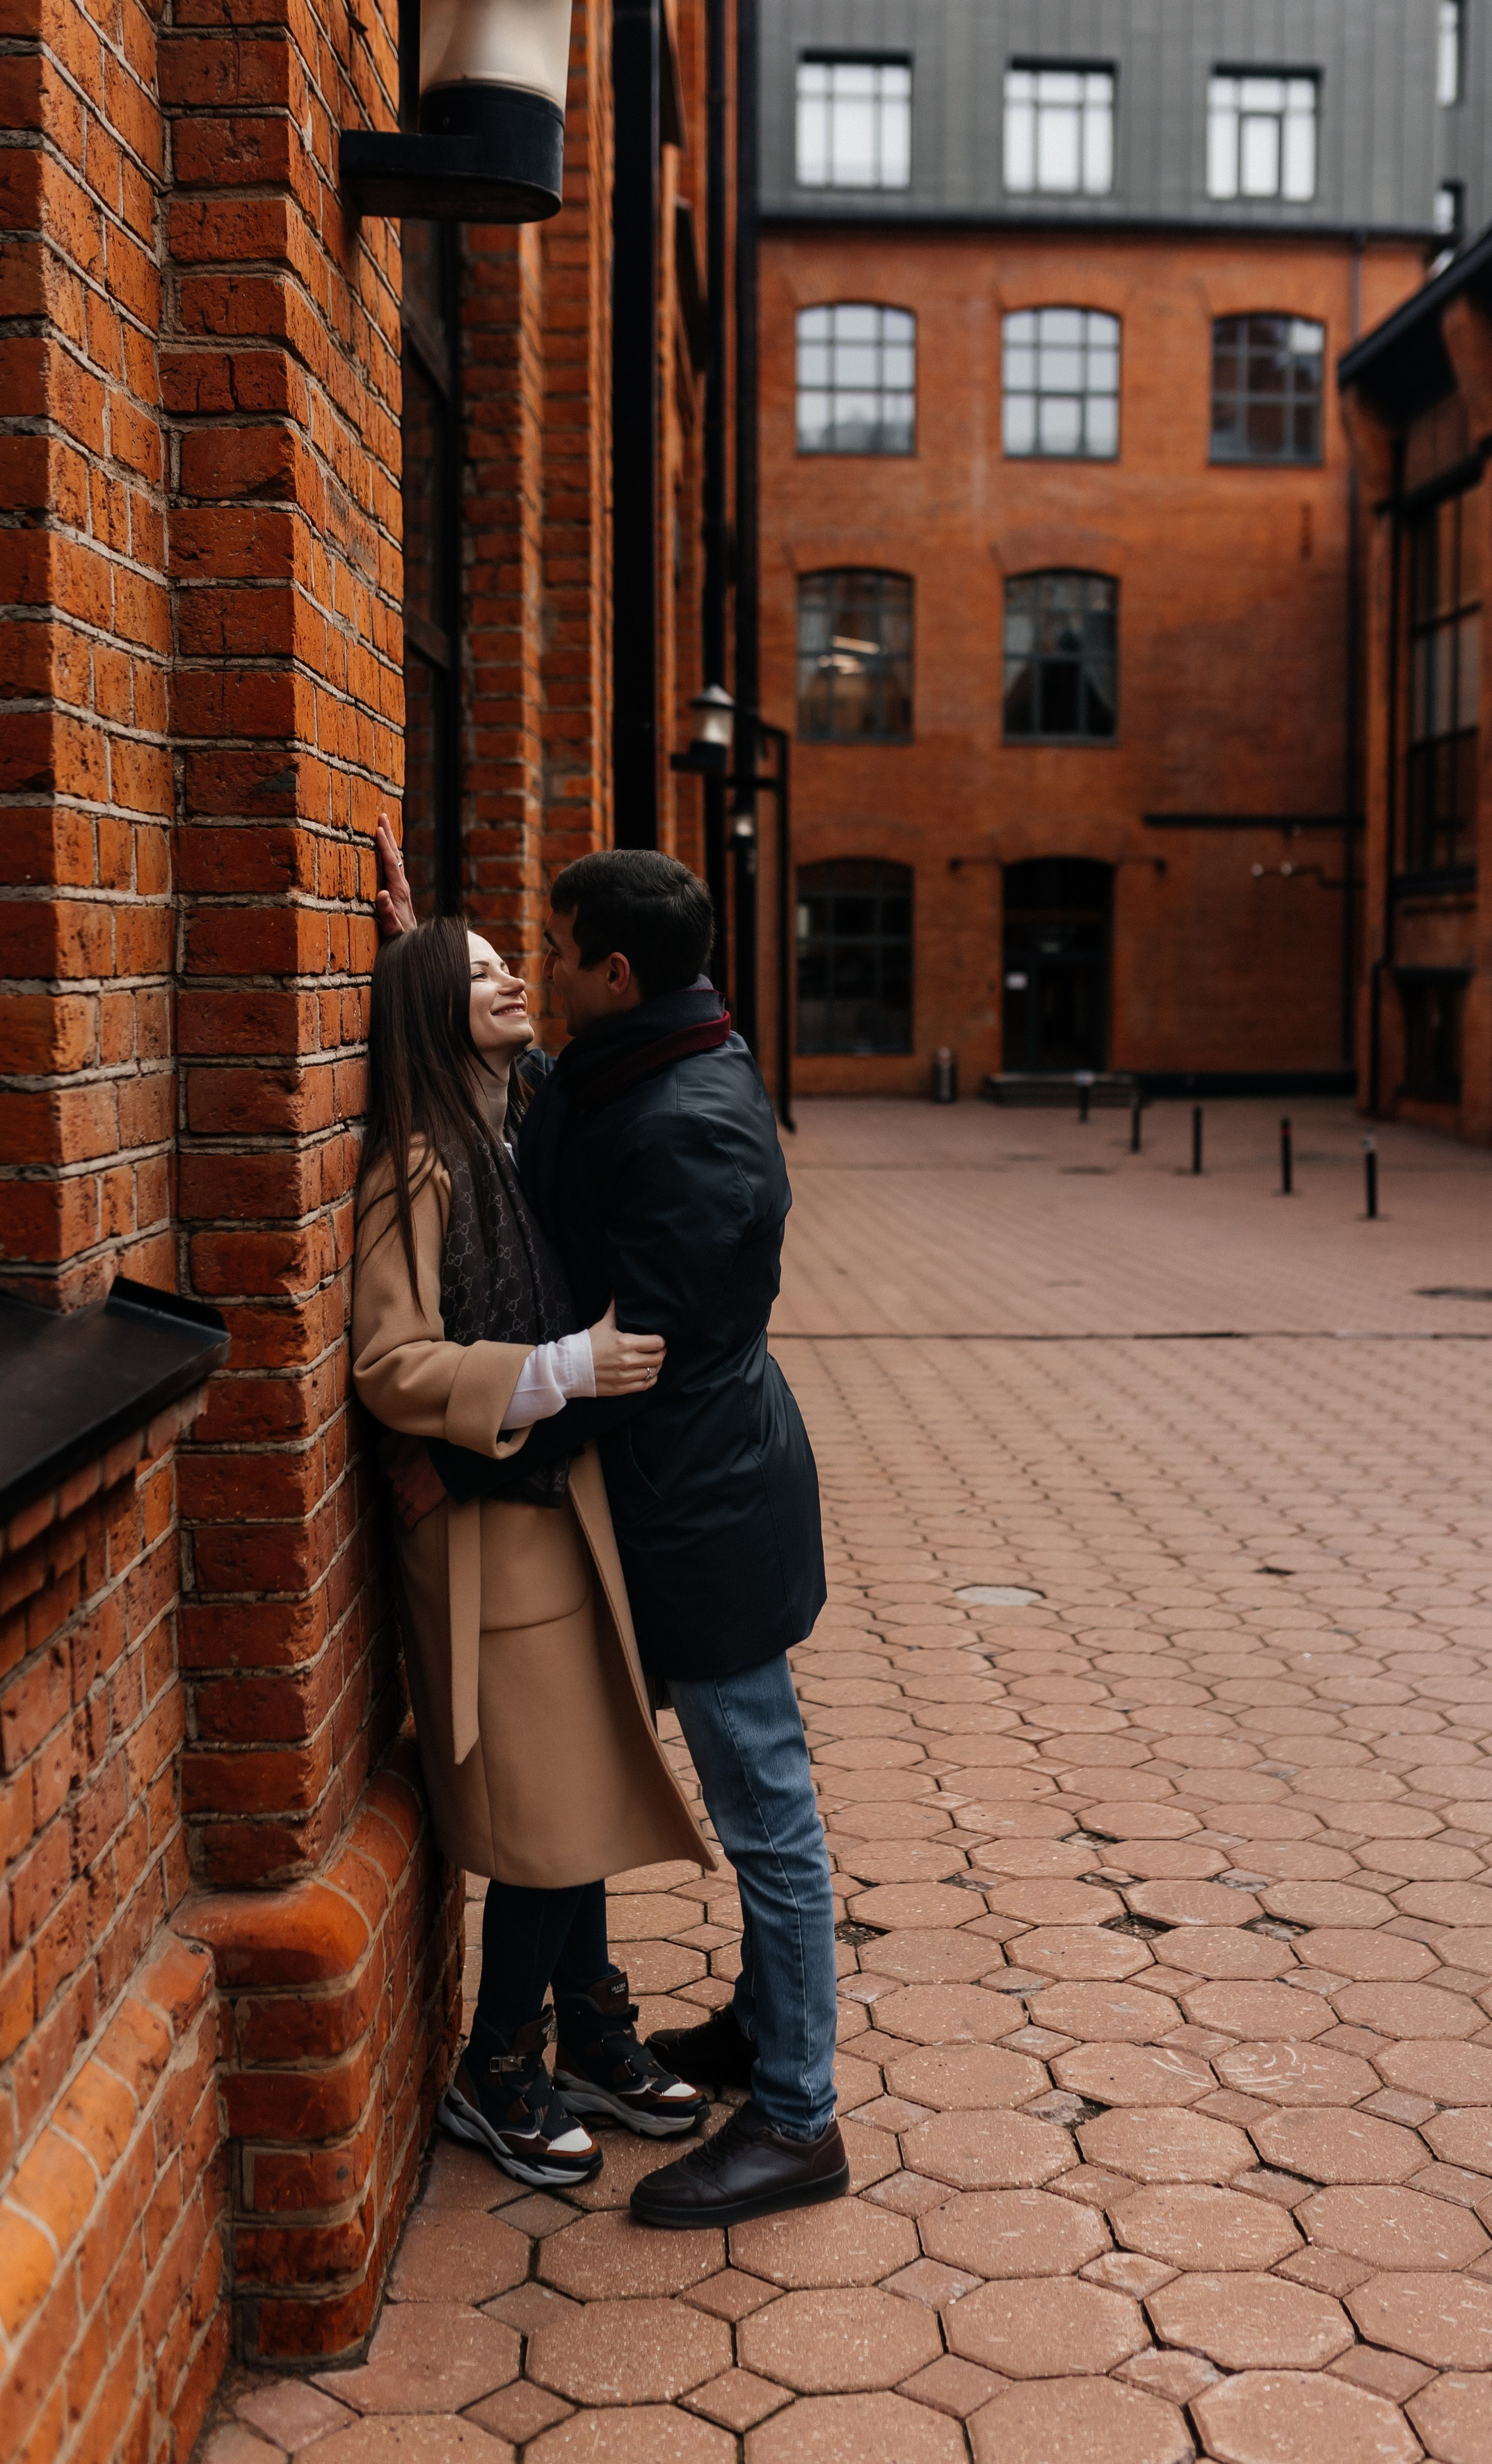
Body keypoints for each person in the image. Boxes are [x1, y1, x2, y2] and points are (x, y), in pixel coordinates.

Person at [375, 826, 843, 2232]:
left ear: (619, 974)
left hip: (701, 1512)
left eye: (555, 954)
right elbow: (515, 1093)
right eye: (504, 965)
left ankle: (800, 2117)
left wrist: (458, 1456)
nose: (537, 973)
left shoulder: (685, 1123)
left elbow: (627, 1357)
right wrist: (416, 965)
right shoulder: (636, 1058)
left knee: (767, 1815)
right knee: (662, 1791)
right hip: (647, 1501)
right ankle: (747, 2031)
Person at [351, 913, 716, 2191]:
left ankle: (592, 2031)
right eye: (481, 975)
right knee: (552, 1807)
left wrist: (423, 938)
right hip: (489, 1542)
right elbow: (390, 1362)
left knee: (586, 1785)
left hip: (559, 1514)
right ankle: (497, 2063)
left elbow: (494, 1027)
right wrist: (566, 1366)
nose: (513, 978)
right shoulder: (420, 1165)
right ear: (432, 1014)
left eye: (514, 960)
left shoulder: (517, 1121)